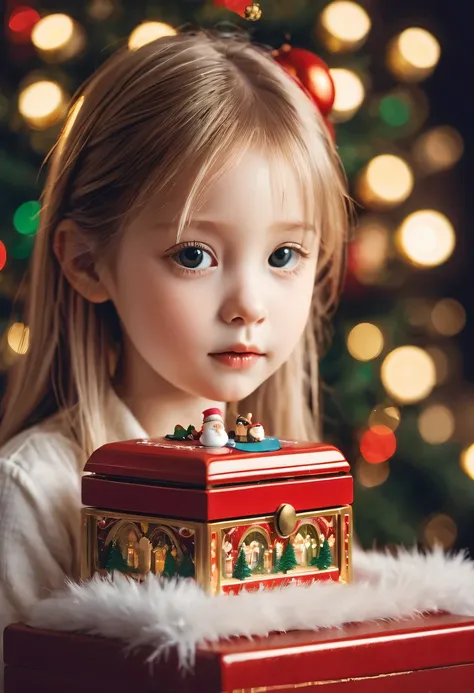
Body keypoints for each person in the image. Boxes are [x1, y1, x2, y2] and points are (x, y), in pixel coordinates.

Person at [0, 29, 348, 681]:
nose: (249, 303)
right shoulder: (35, 492)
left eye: (284, 255)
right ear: (85, 261)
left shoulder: (294, 490)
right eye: (194, 255)